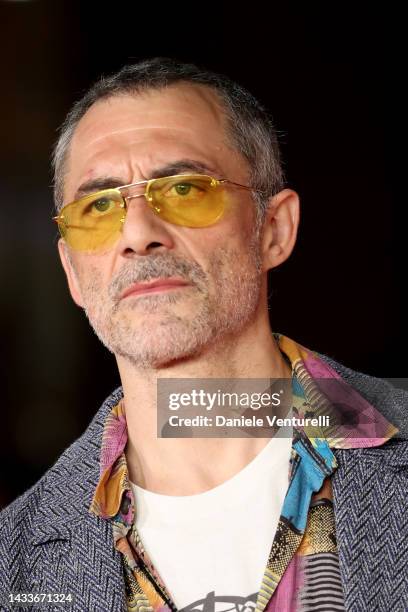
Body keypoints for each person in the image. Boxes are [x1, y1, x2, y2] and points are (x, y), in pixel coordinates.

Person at [1, 58, 407, 612]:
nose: (139, 234)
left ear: (274, 229)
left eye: (187, 189)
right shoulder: (12, 562)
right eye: (98, 206)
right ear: (72, 271)